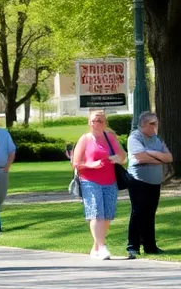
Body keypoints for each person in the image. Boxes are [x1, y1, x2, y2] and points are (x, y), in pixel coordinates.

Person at [71, 110, 126, 260]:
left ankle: (95, 247)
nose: (97, 123)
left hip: (110, 180)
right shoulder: (85, 139)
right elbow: (76, 163)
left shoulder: (110, 137)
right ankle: (102, 247)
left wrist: (117, 158)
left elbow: (123, 156)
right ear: (89, 123)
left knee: (107, 214)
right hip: (89, 180)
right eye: (94, 120)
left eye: (100, 120)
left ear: (105, 123)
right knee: (96, 213)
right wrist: (91, 164)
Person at [126, 111, 172, 258]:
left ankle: (150, 246)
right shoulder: (135, 137)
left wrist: (152, 152)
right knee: (138, 212)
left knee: (150, 213)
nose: (155, 126)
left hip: (154, 182)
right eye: (152, 123)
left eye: (156, 123)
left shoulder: (156, 140)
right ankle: (132, 246)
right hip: (138, 181)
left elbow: (169, 157)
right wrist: (159, 158)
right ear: (143, 124)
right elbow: (141, 158)